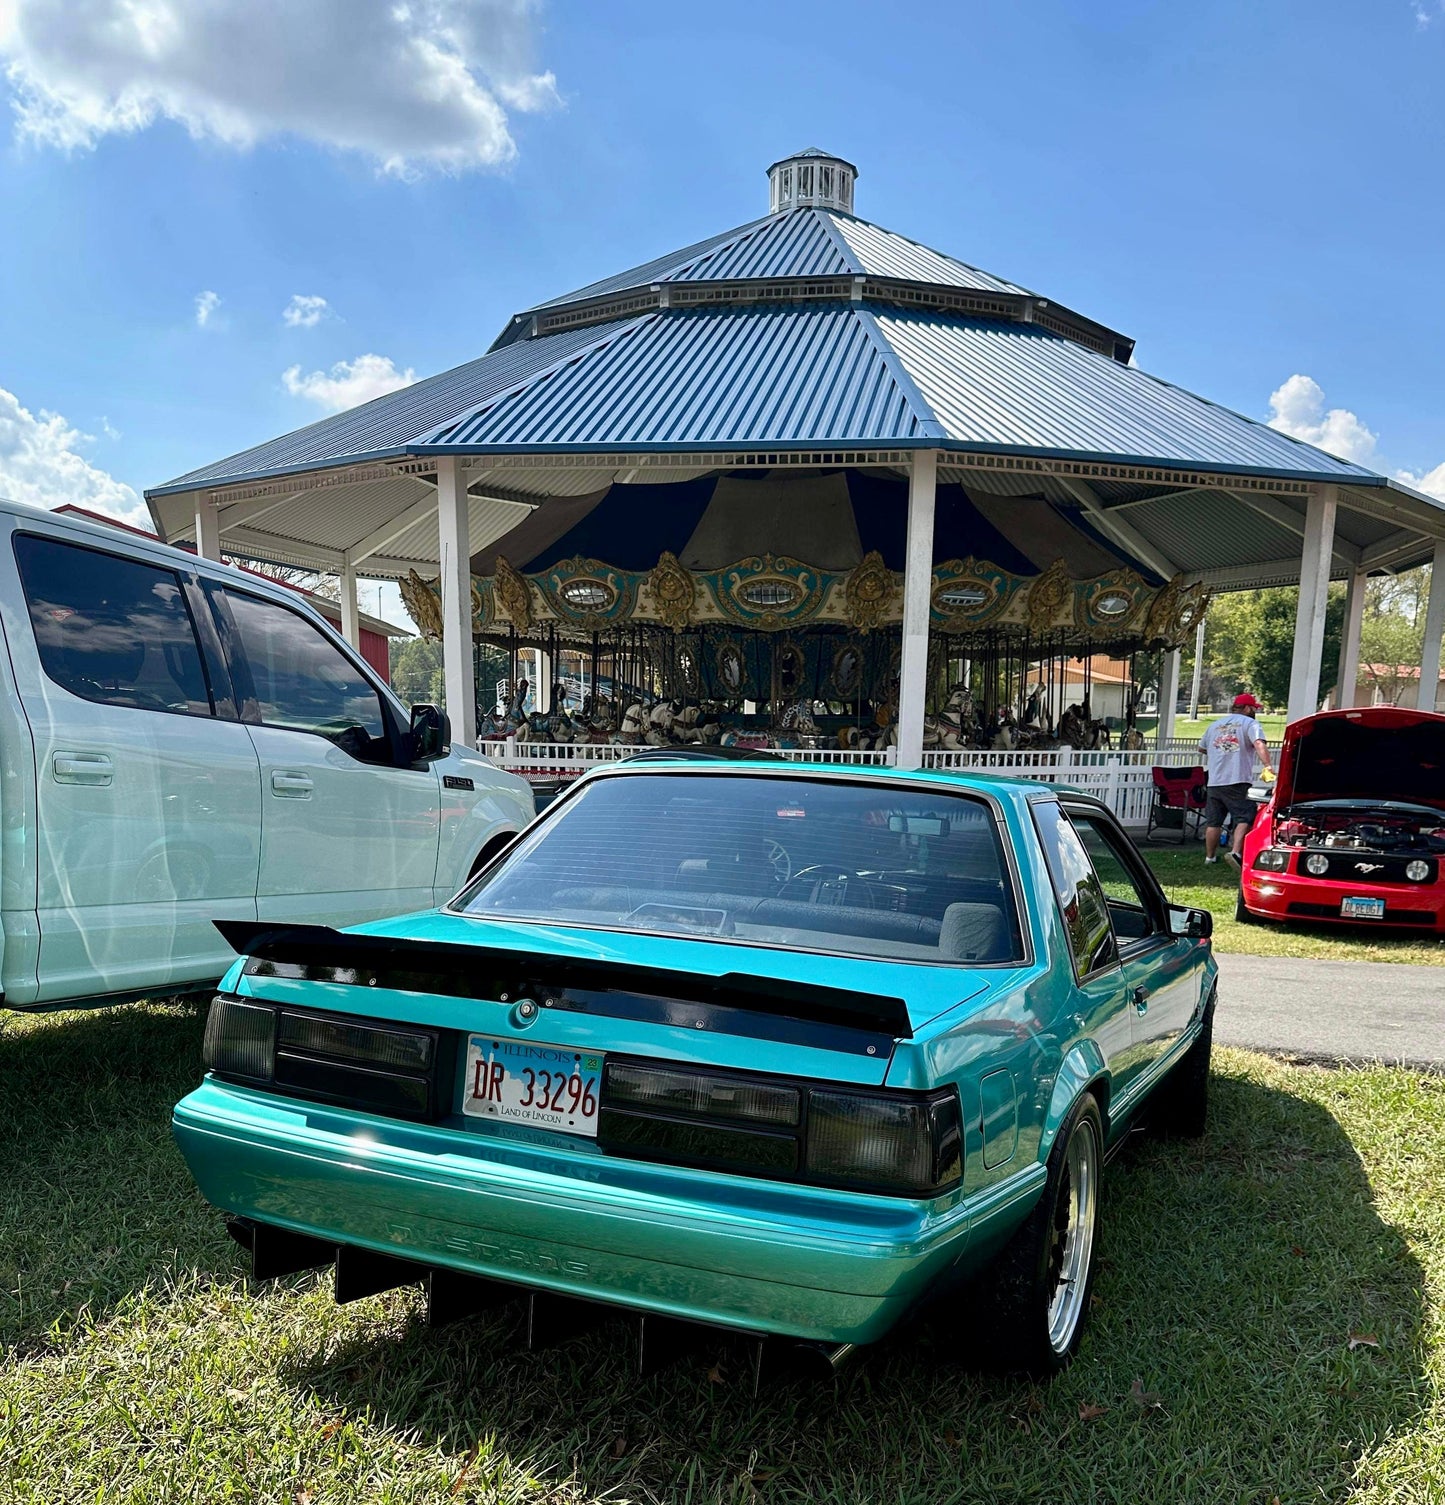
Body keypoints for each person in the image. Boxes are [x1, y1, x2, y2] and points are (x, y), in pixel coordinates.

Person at [1197, 692, 1273, 867]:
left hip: (1215, 780)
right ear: (1247, 708)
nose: (1255, 711)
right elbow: (1259, 743)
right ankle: (1235, 853)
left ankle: (1210, 858)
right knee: (1245, 816)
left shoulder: (1215, 725)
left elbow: (1201, 748)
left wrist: (1220, 752)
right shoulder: (1250, 723)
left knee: (1213, 821)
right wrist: (1267, 765)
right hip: (1237, 779)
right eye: (1254, 708)